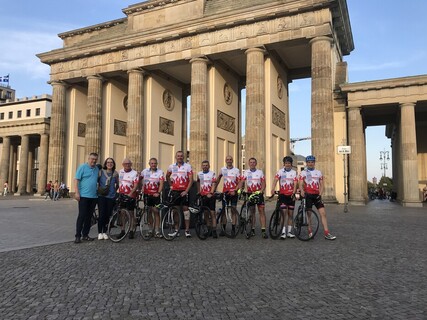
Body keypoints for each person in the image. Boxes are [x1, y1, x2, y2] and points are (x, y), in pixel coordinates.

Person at [299, 155, 336, 240]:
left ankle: (327, 233)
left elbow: (322, 185)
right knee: (309, 214)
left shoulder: (319, 172)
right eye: (309, 162)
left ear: (314, 163)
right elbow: (300, 184)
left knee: (323, 213)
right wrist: (301, 191)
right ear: (306, 163)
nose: (310, 164)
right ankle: (310, 231)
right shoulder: (303, 172)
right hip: (308, 195)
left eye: (312, 162)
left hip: (316, 195)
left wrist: (320, 194)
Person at [238, 157, 268, 239]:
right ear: (248, 163)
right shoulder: (246, 172)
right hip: (250, 194)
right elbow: (241, 181)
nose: (252, 163)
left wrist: (261, 190)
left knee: (262, 212)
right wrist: (239, 190)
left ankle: (263, 231)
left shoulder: (260, 172)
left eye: (253, 162)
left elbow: (263, 183)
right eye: (250, 162)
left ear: (256, 163)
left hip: (258, 194)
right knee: (252, 212)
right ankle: (253, 229)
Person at [166, 150, 193, 238]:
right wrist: (170, 185)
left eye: (181, 156)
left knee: (186, 210)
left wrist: (186, 191)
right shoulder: (171, 166)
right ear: (175, 157)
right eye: (178, 156)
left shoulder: (188, 166)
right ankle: (176, 230)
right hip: (175, 191)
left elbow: (191, 180)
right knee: (175, 211)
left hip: (184, 191)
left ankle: (187, 230)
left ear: (183, 157)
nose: (180, 157)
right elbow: (167, 176)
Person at [74, 153, 100, 243]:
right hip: (83, 196)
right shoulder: (82, 167)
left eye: (95, 159)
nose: (94, 161)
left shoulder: (97, 169)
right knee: (82, 216)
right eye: (92, 159)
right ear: (88, 159)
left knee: (89, 217)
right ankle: (77, 235)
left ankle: (85, 235)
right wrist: (77, 192)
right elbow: (76, 180)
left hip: (93, 197)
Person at [271, 156, 298, 239]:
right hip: (283, 195)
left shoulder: (294, 172)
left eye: (289, 163)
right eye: (286, 163)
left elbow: (295, 183)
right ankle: (283, 232)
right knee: (284, 214)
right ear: (284, 164)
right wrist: (272, 188)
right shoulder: (280, 172)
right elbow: (275, 180)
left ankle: (289, 232)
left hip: (291, 195)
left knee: (290, 214)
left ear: (291, 164)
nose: (287, 165)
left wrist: (294, 192)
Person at [216, 155, 241, 236]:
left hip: (233, 193)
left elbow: (240, 182)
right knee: (224, 211)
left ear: (232, 160)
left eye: (230, 159)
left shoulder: (236, 170)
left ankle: (233, 229)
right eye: (227, 159)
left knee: (233, 211)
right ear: (225, 161)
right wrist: (214, 188)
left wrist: (235, 190)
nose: (229, 161)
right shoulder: (222, 169)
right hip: (225, 193)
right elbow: (218, 179)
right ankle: (223, 229)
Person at [141, 158, 165, 238]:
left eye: (155, 163)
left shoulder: (160, 172)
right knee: (149, 211)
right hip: (147, 194)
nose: (153, 165)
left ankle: (157, 230)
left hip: (155, 195)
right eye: (152, 163)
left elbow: (161, 183)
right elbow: (138, 179)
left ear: (157, 164)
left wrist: (158, 192)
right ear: (149, 164)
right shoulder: (144, 171)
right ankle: (150, 229)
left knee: (156, 211)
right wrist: (140, 188)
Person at [117, 158, 140, 239]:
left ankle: (131, 230)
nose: (127, 165)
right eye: (125, 164)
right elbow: (119, 182)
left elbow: (136, 185)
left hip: (131, 195)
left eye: (129, 164)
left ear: (131, 164)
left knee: (131, 213)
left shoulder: (134, 173)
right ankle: (122, 230)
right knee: (122, 213)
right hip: (122, 194)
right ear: (123, 164)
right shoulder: (120, 172)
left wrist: (130, 193)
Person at [97, 157, 119, 240]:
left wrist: (114, 191)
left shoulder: (115, 173)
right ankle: (100, 232)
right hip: (101, 196)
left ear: (113, 164)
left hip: (111, 197)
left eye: (111, 163)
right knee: (101, 214)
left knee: (108, 214)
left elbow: (118, 184)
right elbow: (97, 182)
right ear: (105, 164)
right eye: (108, 162)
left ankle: (105, 231)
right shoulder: (100, 172)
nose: (109, 164)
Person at [197, 160, 218, 238]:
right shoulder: (199, 174)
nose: (205, 166)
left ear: (209, 166)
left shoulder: (212, 173)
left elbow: (214, 184)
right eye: (204, 165)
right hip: (203, 196)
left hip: (210, 196)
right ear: (202, 166)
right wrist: (198, 191)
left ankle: (214, 230)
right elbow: (198, 182)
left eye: (206, 165)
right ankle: (208, 229)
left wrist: (211, 193)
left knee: (212, 213)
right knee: (206, 214)